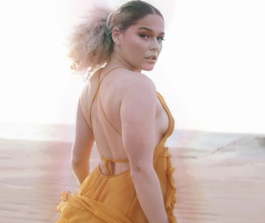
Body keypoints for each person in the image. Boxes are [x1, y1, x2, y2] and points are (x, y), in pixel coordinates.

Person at [56, 1, 177, 222]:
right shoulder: (139, 85)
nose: (155, 46)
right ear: (117, 35)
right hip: (133, 205)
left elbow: (77, 160)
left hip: (93, 197)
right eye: (144, 35)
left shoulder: (90, 85)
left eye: (160, 38)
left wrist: (94, 203)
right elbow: (140, 168)